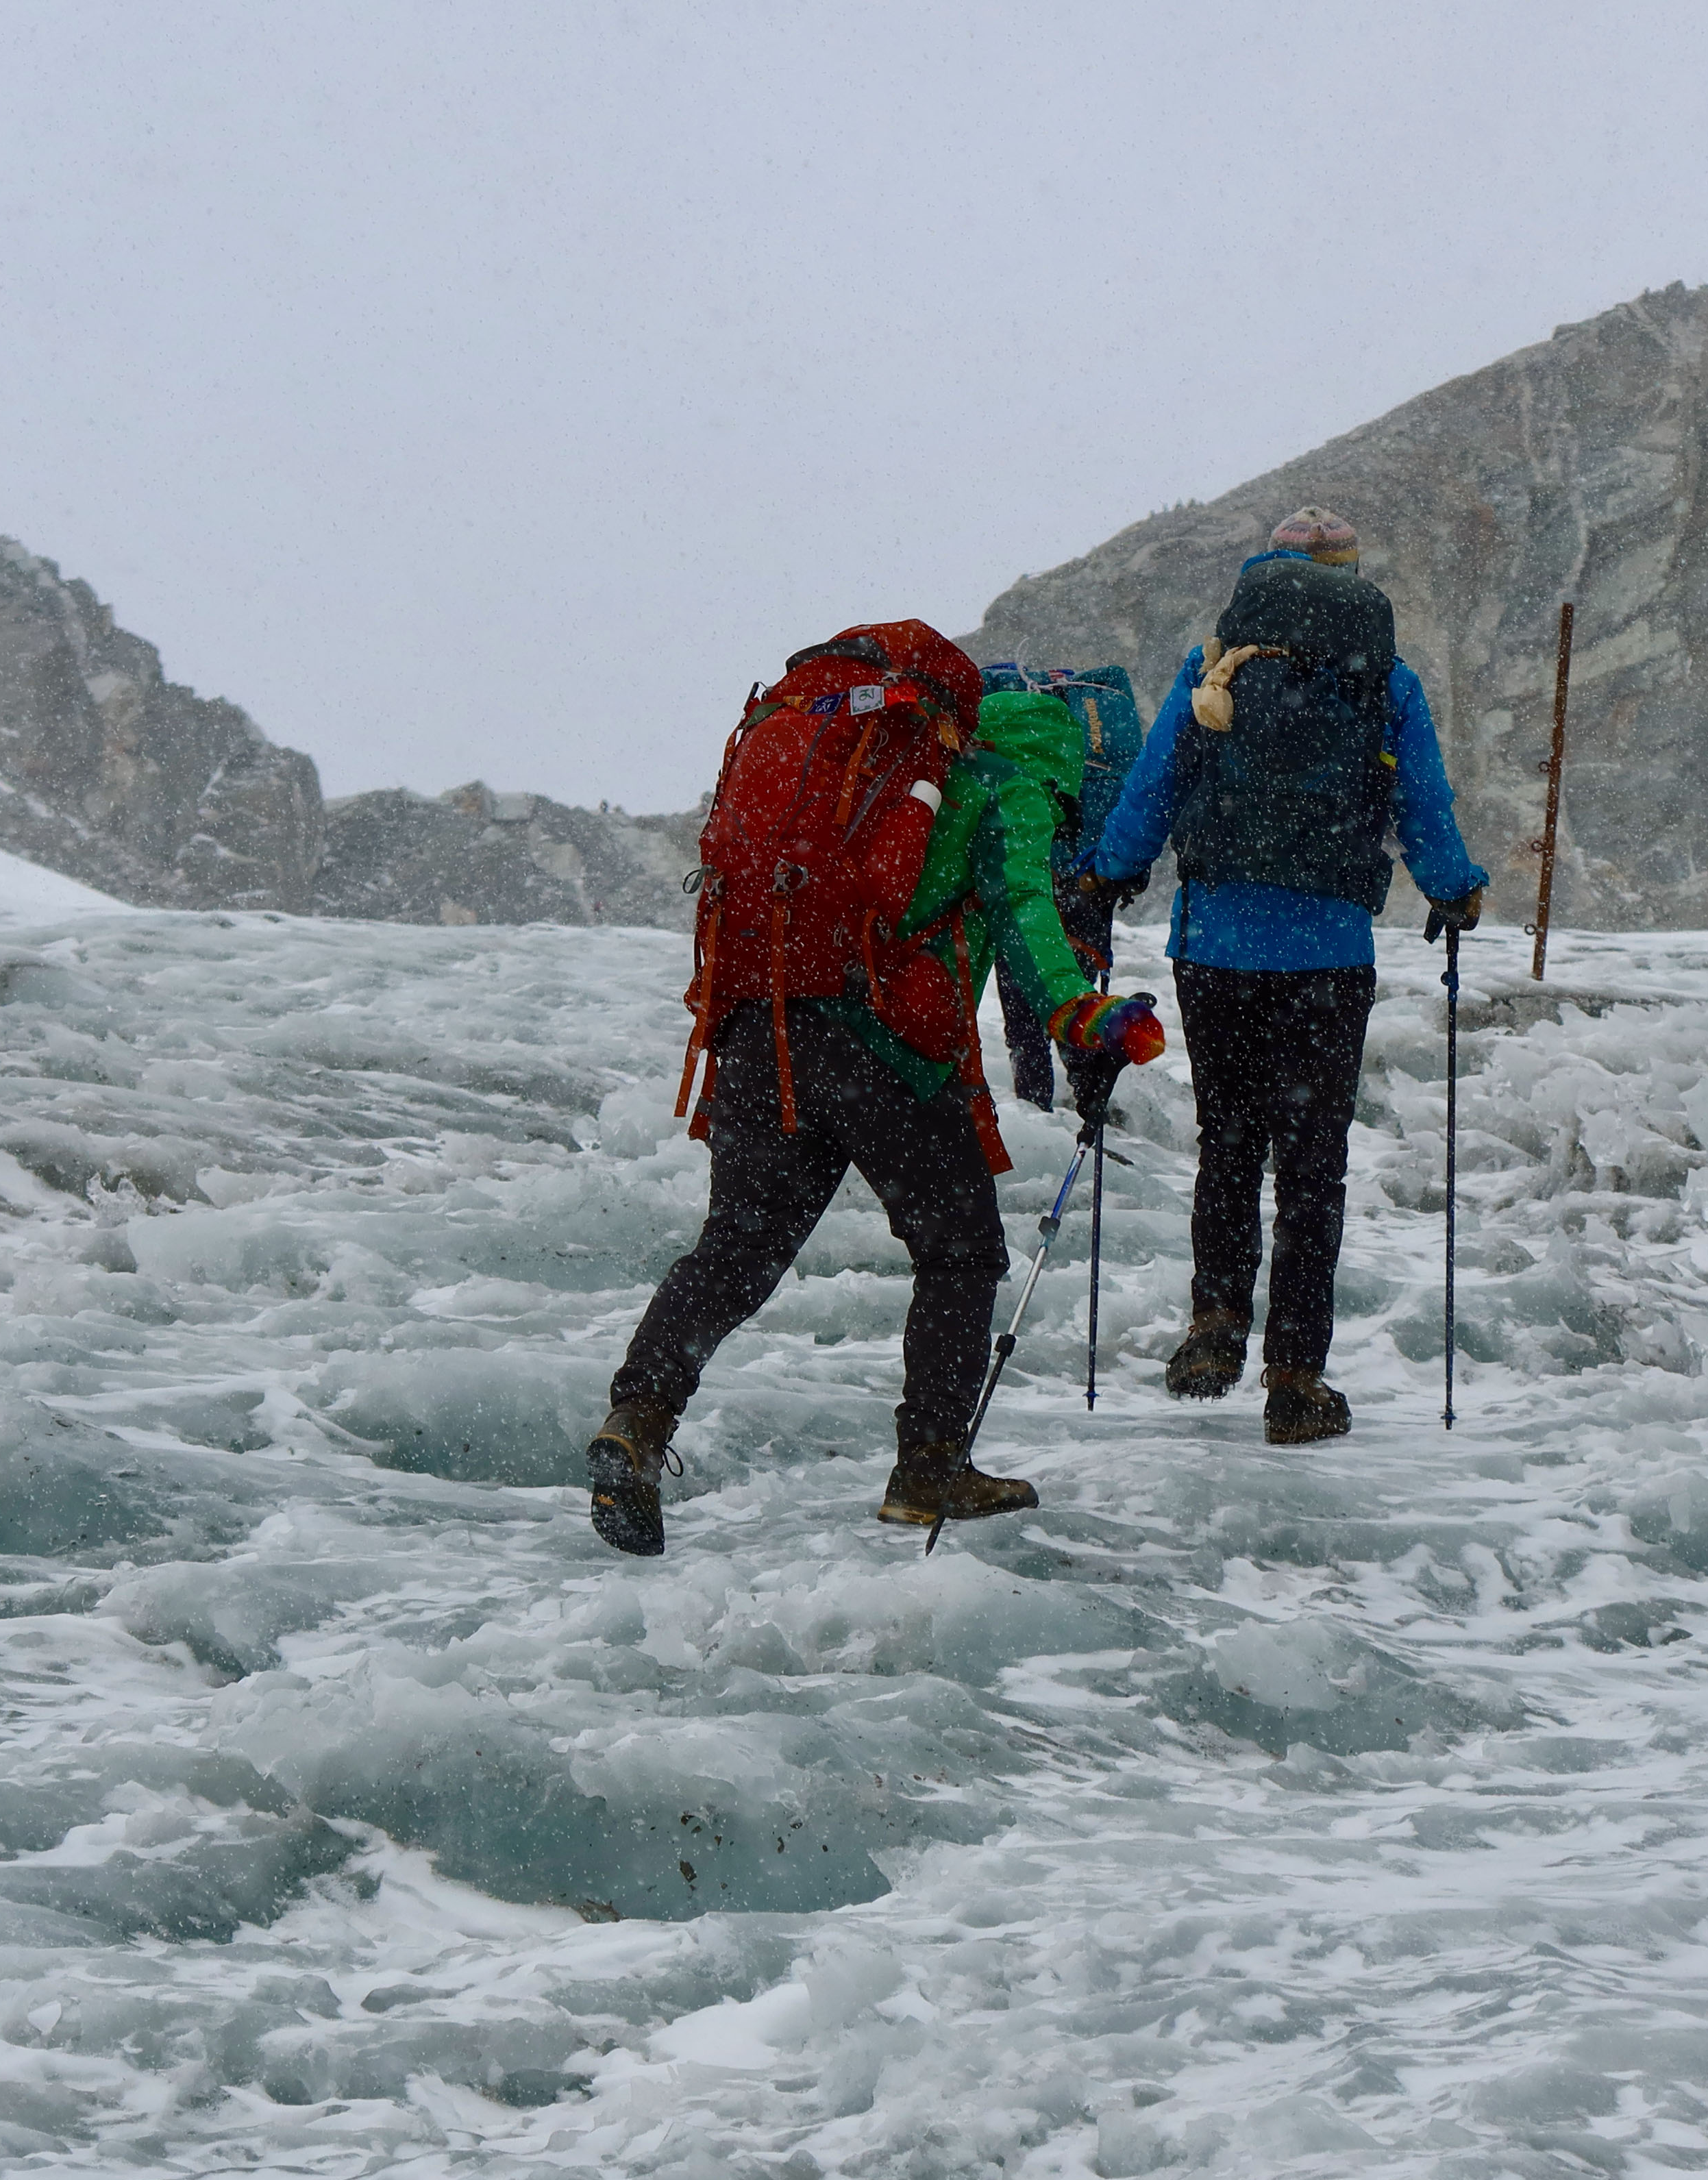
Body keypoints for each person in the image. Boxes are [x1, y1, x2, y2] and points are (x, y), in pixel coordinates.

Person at [588, 621, 1164, 1555]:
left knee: (735, 1250)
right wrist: (1085, 1019)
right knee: (961, 1250)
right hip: (882, 1048)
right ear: (1063, 761)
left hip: (765, 1027)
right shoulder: (1004, 792)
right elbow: (1026, 919)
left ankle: (639, 1425)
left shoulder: (886, 771)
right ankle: (929, 1465)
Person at [1077, 508, 1487, 1444]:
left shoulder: (1213, 666)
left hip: (1215, 944)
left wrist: (1108, 871)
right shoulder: (1386, 680)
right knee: (1313, 1168)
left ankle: (1215, 1325)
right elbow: (1424, 803)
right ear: (1350, 576)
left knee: (1228, 1141)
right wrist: (1456, 890)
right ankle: (1295, 1378)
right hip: (1328, 955)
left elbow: (1153, 790)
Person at [983, 662, 1146, 1111]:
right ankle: (1087, 1104)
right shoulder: (1100, 716)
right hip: (1089, 884)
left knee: (1023, 1014)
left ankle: (1034, 1109)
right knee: (1075, 992)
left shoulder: (1013, 744)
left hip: (1035, 876)